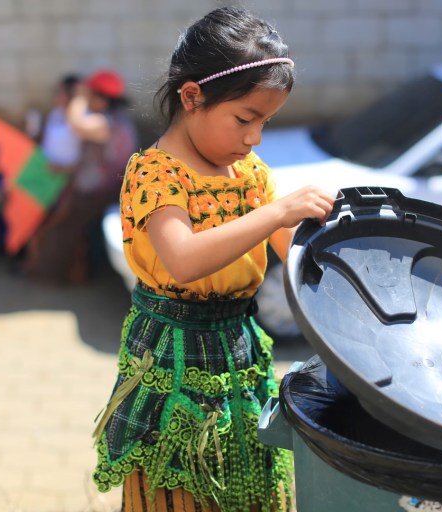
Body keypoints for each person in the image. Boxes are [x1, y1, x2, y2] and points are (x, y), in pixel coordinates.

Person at [91, 7, 334, 512]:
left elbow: (290, 247)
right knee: (182, 487)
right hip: (173, 351)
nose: (254, 138)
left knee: (248, 476)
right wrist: (277, 213)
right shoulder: (156, 173)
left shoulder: (249, 170)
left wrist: (328, 241)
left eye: (265, 122)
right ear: (192, 97)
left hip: (238, 346)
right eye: (245, 119)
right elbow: (183, 259)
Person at [23, 68, 138, 284]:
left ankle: (59, 277)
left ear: (102, 99)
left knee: (64, 230)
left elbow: (76, 124)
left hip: (100, 192)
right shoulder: (117, 120)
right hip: (103, 190)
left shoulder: (107, 122)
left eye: (91, 96)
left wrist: (79, 97)